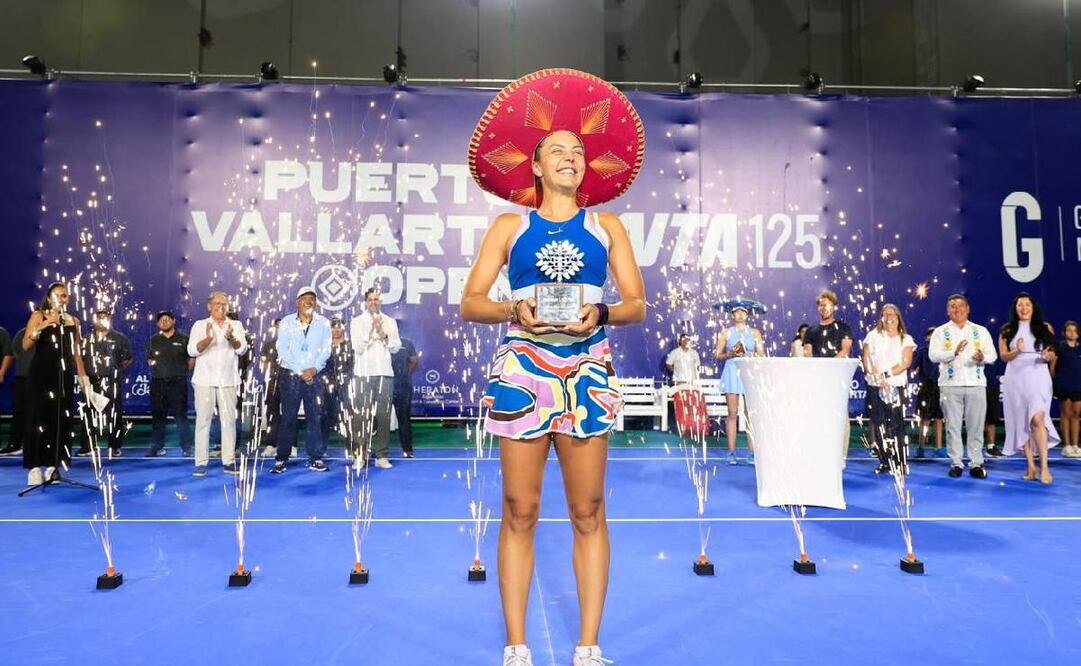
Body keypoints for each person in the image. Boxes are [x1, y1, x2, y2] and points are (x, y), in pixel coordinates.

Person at [461, 69, 646, 666]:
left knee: (588, 511)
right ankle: (516, 644)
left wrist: (602, 314)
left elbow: (637, 305)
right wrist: (513, 309)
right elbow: (470, 303)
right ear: (536, 167)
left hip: (588, 370)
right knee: (520, 510)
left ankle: (588, 645)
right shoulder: (509, 226)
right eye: (558, 150)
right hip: (523, 368)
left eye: (578, 152)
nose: (570, 157)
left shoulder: (606, 226)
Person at [21, 282, 91, 485]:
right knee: (37, 417)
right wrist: (44, 325)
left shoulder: (74, 321)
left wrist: (83, 378)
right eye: (58, 295)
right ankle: (34, 467)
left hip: (63, 376)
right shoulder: (39, 315)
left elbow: (76, 352)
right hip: (41, 375)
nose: (62, 299)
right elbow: (26, 344)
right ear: (49, 297)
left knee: (60, 419)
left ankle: (53, 465)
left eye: (65, 295)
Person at [928, 294, 997, 479]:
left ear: (968, 309)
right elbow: (933, 355)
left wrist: (982, 357)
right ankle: (956, 463)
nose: (956, 309)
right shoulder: (940, 332)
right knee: (952, 426)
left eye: (960, 306)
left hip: (976, 384)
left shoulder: (980, 331)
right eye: (952, 306)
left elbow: (993, 355)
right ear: (947, 310)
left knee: (976, 426)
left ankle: (976, 463)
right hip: (950, 385)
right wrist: (953, 352)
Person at [998, 293, 1059, 484]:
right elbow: (1003, 356)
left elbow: (1052, 353)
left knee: (1037, 418)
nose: (1023, 308)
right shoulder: (1007, 329)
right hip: (1015, 377)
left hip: (1038, 375)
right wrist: (1017, 351)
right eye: (1020, 305)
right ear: (1015, 308)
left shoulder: (1045, 328)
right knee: (1021, 420)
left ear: (1033, 308)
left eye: (1027, 305)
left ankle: (1045, 467)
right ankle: (1031, 466)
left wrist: (1048, 357)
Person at [271, 286, 332, 474]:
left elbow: (326, 349)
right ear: (297, 302)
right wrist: (300, 371)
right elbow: (282, 349)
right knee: (288, 417)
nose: (309, 301)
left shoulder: (323, 323)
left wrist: (314, 369)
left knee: (315, 417)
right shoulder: (287, 322)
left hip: (315, 375)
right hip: (291, 375)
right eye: (305, 298)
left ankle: (316, 458)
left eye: (312, 298)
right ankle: (281, 458)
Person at [187, 291, 248, 477]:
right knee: (203, 421)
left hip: (228, 380)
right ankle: (200, 462)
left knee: (228, 421)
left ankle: (229, 461)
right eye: (217, 304)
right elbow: (191, 350)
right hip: (204, 381)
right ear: (209, 306)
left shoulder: (235, 325)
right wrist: (208, 340)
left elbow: (242, 349)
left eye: (224, 304)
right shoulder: (200, 325)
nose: (221, 307)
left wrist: (231, 339)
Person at [349, 287, 401, 469]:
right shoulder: (357, 322)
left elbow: (396, 347)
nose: (373, 302)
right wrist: (372, 330)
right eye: (370, 299)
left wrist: (383, 334)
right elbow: (358, 348)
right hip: (363, 374)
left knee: (383, 416)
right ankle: (360, 456)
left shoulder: (390, 321)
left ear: (380, 301)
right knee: (361, 416)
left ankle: (381, 456)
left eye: (376, 299)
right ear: (365, 302)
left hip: (384, 373)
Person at [860, 304, 915, 474]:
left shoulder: (906, 339)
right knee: (879, 425)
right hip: (875, 386)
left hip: (896, 386)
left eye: (892, 314)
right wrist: (876, 376)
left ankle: (900, 462)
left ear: (898, 317)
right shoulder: (873, 336)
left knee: (898, 425)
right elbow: (866, 358)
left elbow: (905, 362)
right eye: (885, 315)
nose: (888, 318)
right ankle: (884, 460)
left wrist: (886, 375)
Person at [802, 289, 854, 465]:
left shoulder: (844, 328)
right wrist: (817, 370)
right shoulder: (811, 330)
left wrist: (829, 367)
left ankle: (841, 457)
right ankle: (820, 453)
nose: (823, 308)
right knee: (818, 416)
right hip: (817, 378)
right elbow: (807, 353)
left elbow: (845, 350)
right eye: (820, 305)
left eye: (827, 305)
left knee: (840, 417)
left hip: (837, 377)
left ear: (834, 306)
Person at [714, 300, 765, 465]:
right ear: (732, 315)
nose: (740, 314)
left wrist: (750, 355)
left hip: (750, 373)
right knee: (732, 413)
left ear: (747, 315)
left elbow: (761, 355)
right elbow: (718, 355)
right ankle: (731, 452)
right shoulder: (726, 333)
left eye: (743, 312)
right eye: (737, 312)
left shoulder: (755, 333)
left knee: (751, 414)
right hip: (731, 371)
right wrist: (730, 354)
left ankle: (752, 453)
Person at [78, 309, 133, 457]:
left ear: (110, 320)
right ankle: (87, 446)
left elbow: (128, 359)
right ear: (94, 320)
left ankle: (114, 446)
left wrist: (115, 371)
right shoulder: (86, 339)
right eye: (99, 317)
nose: (102, 320)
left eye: (105, 317)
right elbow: (79, 359)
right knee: (88, 414)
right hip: (90, 381)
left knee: (114, 415)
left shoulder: (120, 338)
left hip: (111, 381)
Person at [146, 310, 194, 457]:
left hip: (178, 383)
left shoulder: (184, 338)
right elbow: (150, 359)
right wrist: (157, 367)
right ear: (157, 324)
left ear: (174, 321)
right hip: (158, 382)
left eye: (167, 319)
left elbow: (191, 358)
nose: (164, 322)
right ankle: (157, 447)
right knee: (158, 416)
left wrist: (181, 372)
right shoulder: (153, 340)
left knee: (181, 416)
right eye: (161, 320)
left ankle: (187, 447)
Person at [912, 327, 945, 458]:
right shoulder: (923, 351)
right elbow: (914, 366)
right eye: (931, 335)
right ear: (927, 337)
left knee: (939, 417)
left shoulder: (944, 352)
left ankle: (938, 447)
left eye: (936, 335)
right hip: (926, 387)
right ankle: (921, 447)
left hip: (940, 386)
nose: (933, 337)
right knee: (924, 418)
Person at [322, 317, 354, 449]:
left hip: (345, 385)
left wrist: (347, 379)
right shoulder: (324, 346)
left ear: (343, 328)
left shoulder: (350, 346)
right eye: (333, 327)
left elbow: (354, 365)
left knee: (348, 415)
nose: (336, 330)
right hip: (326, 386)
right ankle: (321, 449)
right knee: (323, 416)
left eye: (339, 327)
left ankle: (352, 446)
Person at [1054, 321, 1081, 457]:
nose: (1072, 333)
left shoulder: (1080, 348)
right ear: (1064, 333)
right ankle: (1066, 446)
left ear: (1078, 334)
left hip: (1078, 385)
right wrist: (1055, 381)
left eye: (1074, 331)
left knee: (1076, 414)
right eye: (1069, 330)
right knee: (1066, 414)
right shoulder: (1059, 347)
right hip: (1063, 384)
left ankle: (1075, 445)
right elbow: (1052, 367)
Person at [259, 318, 285, 457]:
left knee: (289, 413)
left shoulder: (292, 344)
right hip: (271, 383)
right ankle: (271, 444)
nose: (280, 329)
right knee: (272, 413)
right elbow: (263, 364)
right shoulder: (268, 345)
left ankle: (290, 445)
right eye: (278, 327)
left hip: (288, 382)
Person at [0, 327, 28, 456]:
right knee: (18, 412)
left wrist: (1, 373)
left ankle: (36, 445)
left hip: (40, 378)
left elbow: (9, 353)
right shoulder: (21, 333)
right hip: (21, 377)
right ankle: (14, 444)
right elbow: (16, 352)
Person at [390, 331, 418, 457]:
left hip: (403, 386)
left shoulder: (406, 343)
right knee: (379, 418)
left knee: (404, 417)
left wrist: (405, 375)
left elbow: (414, 360)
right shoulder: (379, 343)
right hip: (383, 385)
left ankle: (407, 449)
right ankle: (378, 451)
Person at [983, 356, 1004, 457]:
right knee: (974, 418)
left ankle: (991, 446)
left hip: (991, 381)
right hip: (973, 382)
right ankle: (973, 447)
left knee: (991, 416)